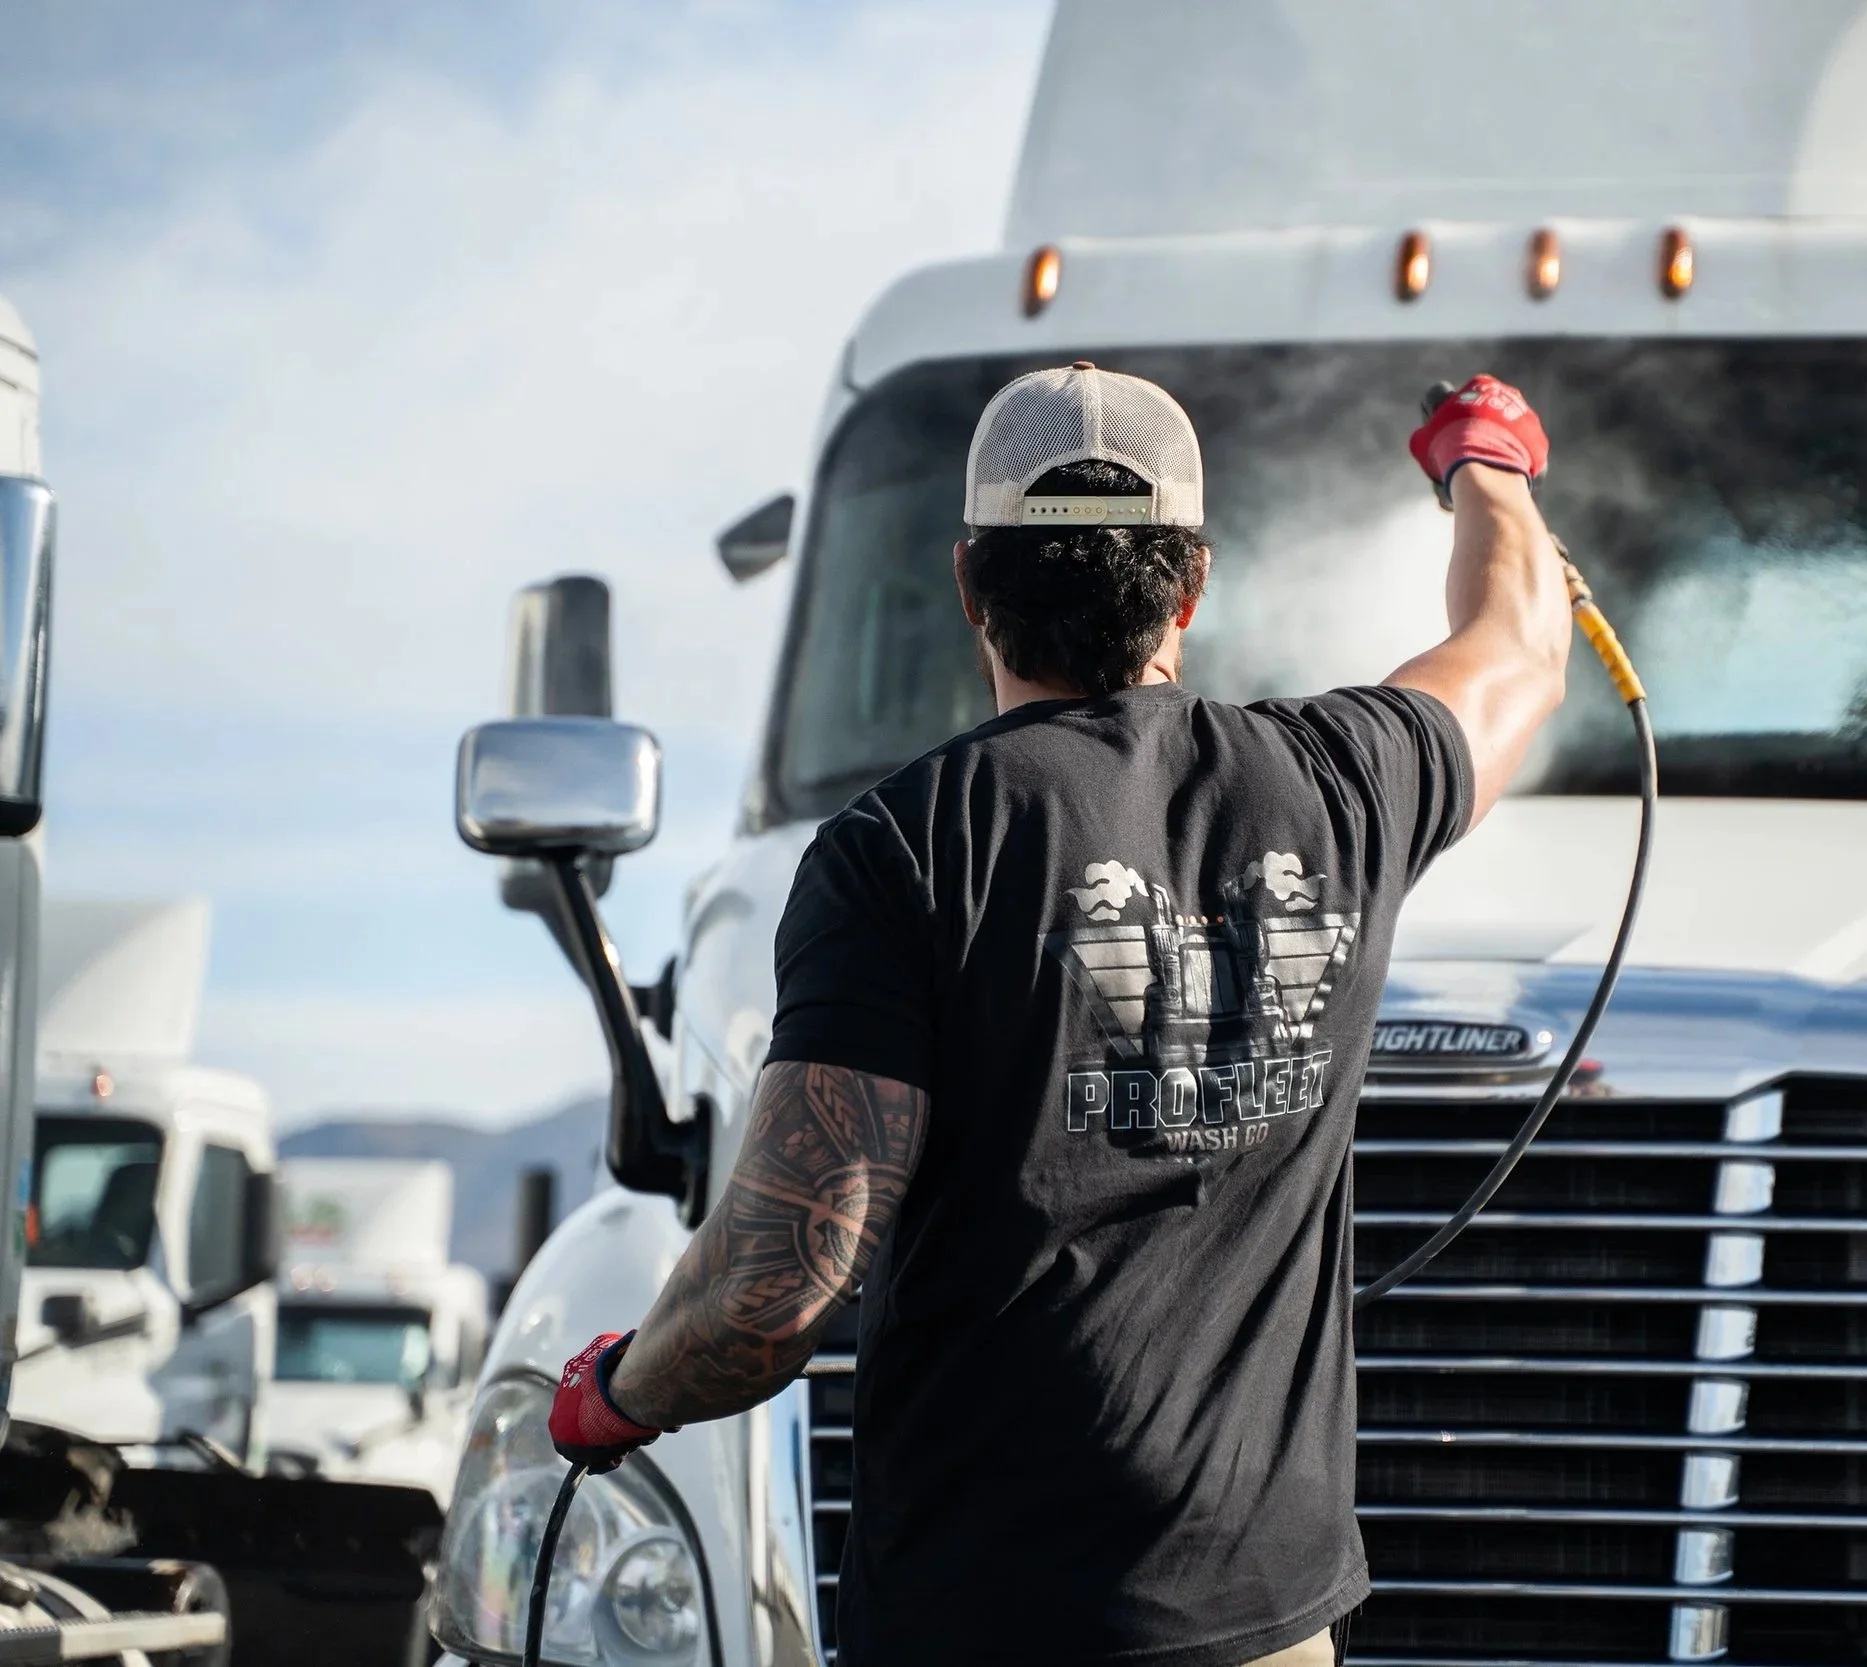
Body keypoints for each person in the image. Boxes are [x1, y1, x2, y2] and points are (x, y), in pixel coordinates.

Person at [547, 364, 1571, 1666]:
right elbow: (1521, 647)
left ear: (972, 585)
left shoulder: (903, 851)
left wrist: (617, 1392)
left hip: (982, 1626)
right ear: (1190, 584)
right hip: (1266, 1628)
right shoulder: (1341, 786)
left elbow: (773, 1289)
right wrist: (1486, 462)